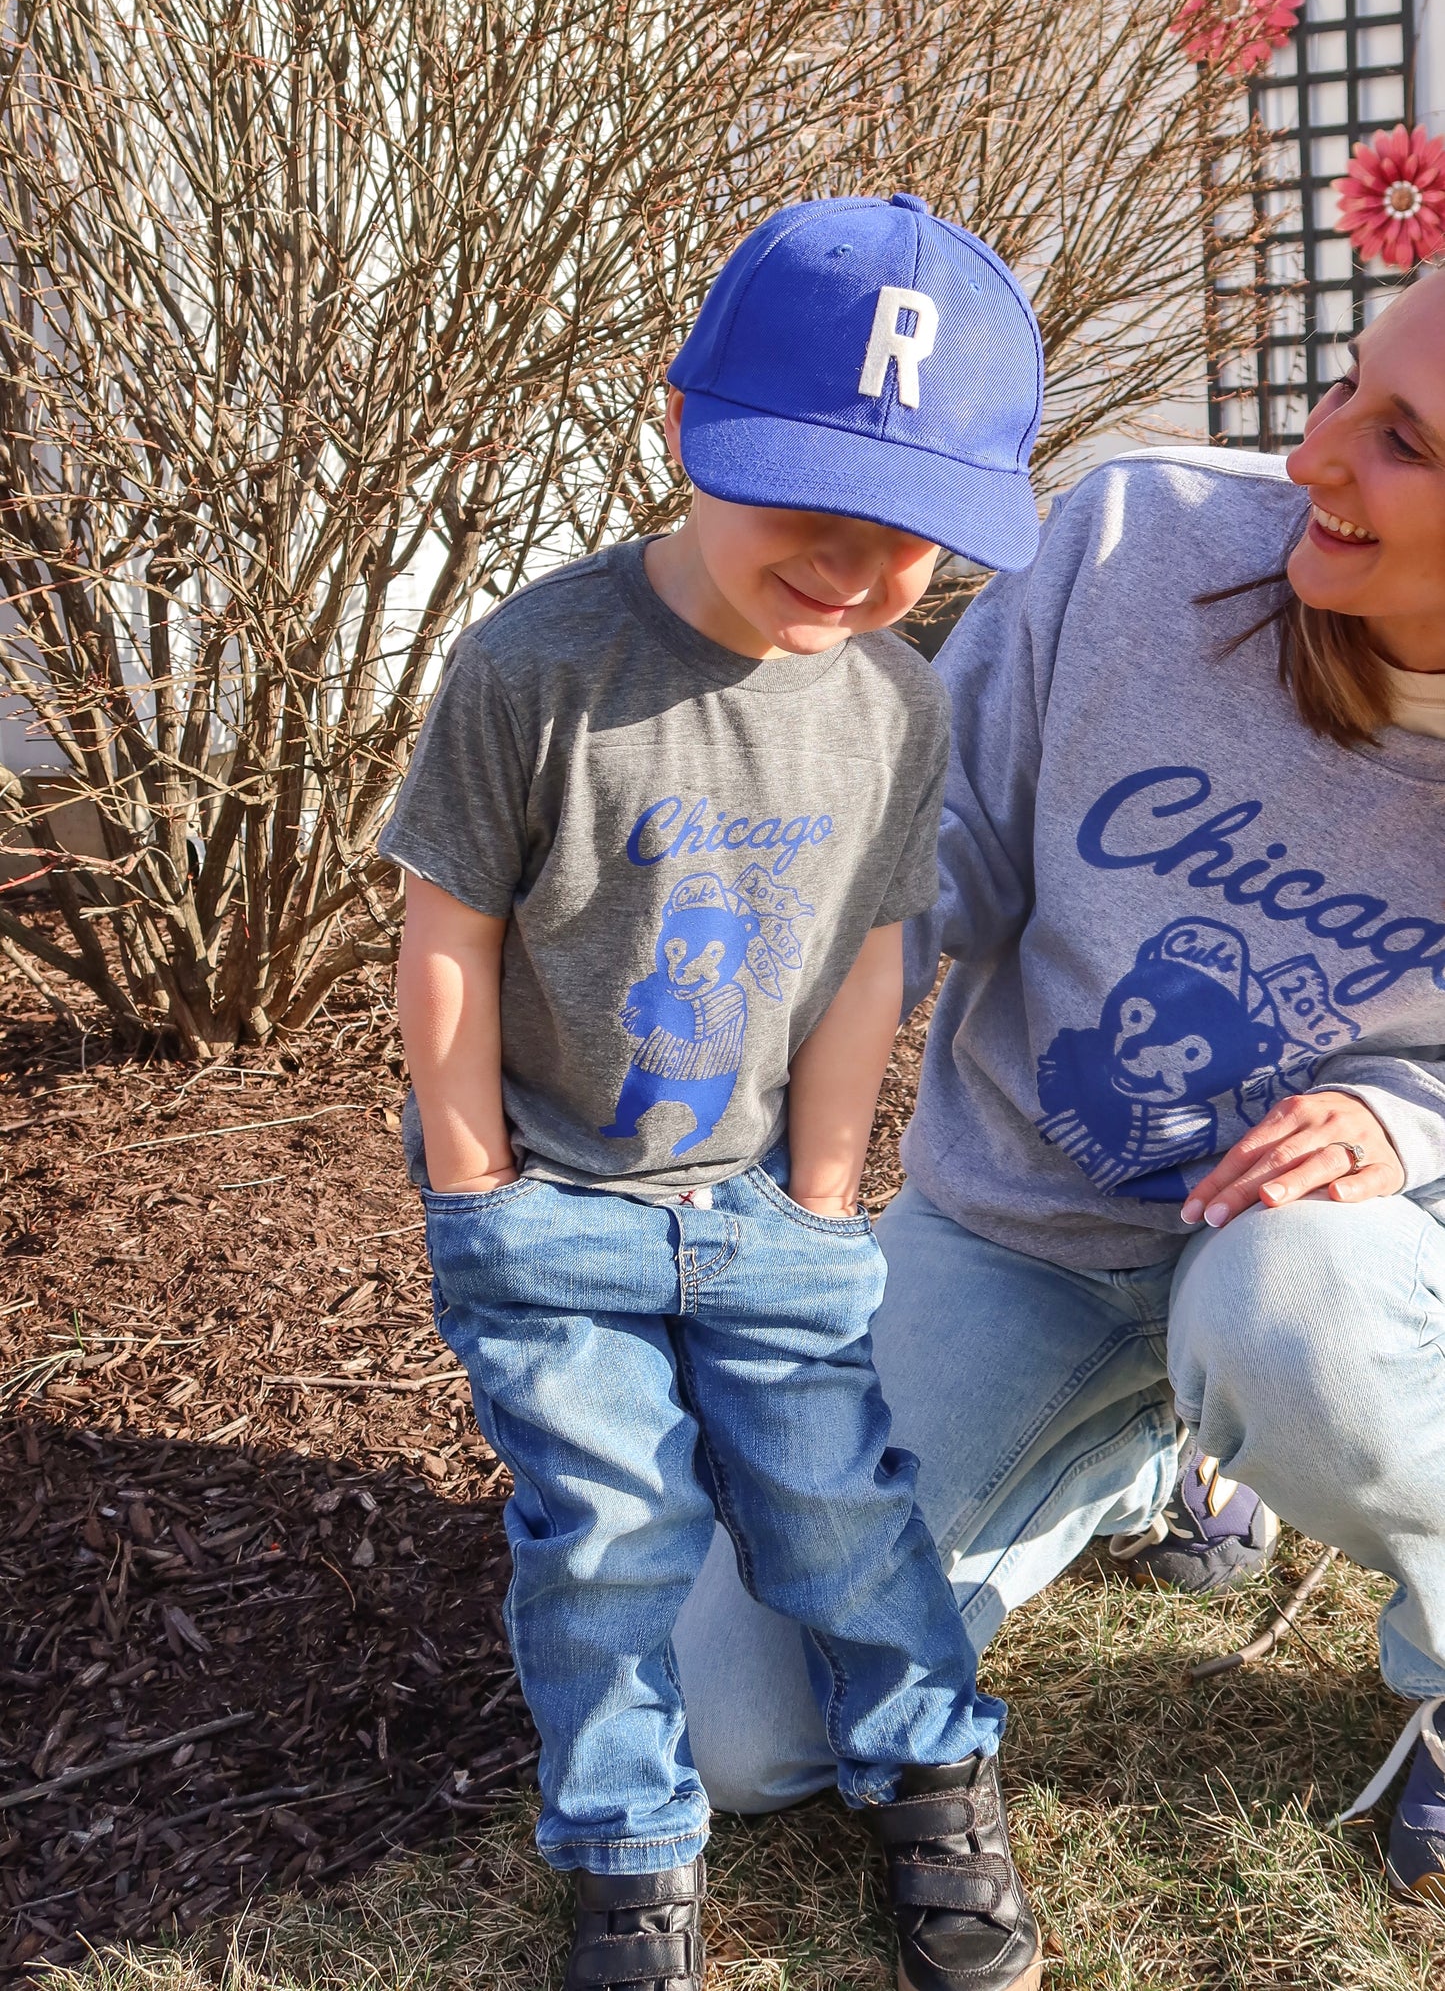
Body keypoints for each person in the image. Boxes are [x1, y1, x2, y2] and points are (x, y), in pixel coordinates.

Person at [672, 263, 1445, 1906]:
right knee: (727, 1731)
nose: (1311, 457)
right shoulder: (1134, 543)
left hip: (1353, 1268)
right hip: (1031, 1226)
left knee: (1281, 1309)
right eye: (1339, 388)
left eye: (1403, 441)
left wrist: (1405, 1118)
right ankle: (1155, 1455)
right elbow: (935, 841)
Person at [380, 195, 1051, 1991]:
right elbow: (447, 925)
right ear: (683, 429)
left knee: (842, 1504)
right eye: (804, 500)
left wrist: (827, 1200)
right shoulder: (537, 664)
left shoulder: (898, 712)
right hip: (560, 1204)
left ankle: (928, 1775)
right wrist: (475, 1184)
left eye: (907, 532)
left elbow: (863, 960)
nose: (850, 563)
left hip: (760, 1210)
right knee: (603, 1536)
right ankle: (626, 1850)